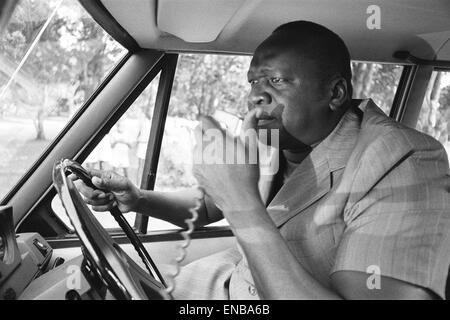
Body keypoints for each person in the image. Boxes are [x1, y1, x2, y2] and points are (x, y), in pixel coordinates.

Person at [74, 21, 450, 299]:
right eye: (254, 83)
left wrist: (242, 204)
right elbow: (209, 204)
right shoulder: (270, 137)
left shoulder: (405, 159)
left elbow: (236, 202)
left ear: (335, 93)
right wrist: (139, 199)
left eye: (276, 81)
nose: (257, 96)